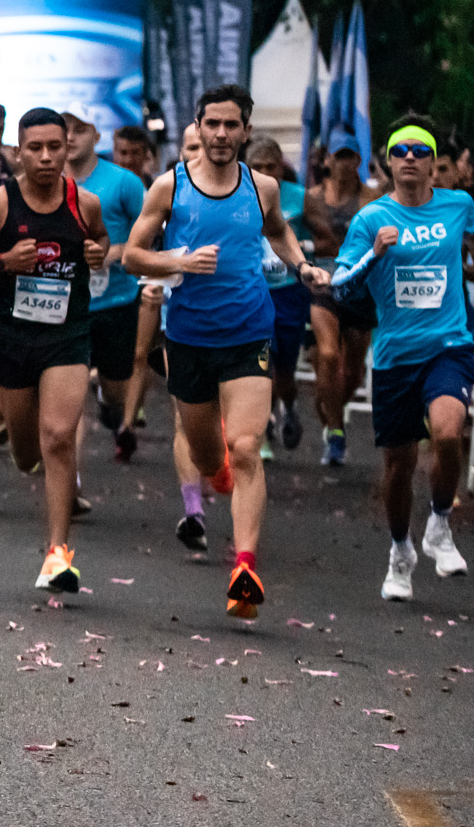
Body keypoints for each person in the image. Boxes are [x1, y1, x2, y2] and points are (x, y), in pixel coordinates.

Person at [124, 84, 326, 619]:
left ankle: (244, 568)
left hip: (248, 333)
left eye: (230, 125)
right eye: (211, 124)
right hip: (188, 339)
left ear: (245, 129)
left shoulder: (263, 188)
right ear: (199, 125)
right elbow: (131, 257)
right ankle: (215, 480)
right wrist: (177, 263)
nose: (220, 134)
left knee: (244, 448)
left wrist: (302, 266)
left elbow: (280, 235)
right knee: (213, 457)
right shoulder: (169, 188)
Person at [326, 118, 474, 601]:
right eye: (400, 150)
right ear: (388, 162)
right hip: (394, 356)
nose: (409, 156)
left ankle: (441, 524)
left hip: (448, 344)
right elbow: (341, 284)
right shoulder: (371, 220)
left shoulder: (458, 205)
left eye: (419, 150)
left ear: (433, 164)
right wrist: (374, 254)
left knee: (449, 433)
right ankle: (400, 551)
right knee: (398, 467)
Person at [0, 109, 108, 591]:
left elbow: (100, 241)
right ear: (17, 152)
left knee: (58, 436)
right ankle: (24, 458)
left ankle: (58, 554)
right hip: (11, 340)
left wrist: (99, 252)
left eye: (54, 147)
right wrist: (2, 262)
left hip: (67, 336)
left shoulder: (86, 202)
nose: (45, 157)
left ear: (66, 148)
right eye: (34, 148)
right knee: (24, 453)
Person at [64, 113, 151, 461]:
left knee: (116, 388)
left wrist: (116, 252)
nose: (71, 137)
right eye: (65, 129)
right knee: (70, 391)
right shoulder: (47, 180)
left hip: (116, 299)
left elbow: (148, 229)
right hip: (66, 303)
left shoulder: (124, 182)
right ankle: (71, 480)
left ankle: (109, 399)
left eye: (80, 129)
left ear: (96, 135)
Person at [311, 129, 379, 465]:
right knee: (327, 355)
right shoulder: (312, 197)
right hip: (322, 283)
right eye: (338, 156)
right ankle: (335, 432)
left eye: (349, 156)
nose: (343, 163)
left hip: (361, 288)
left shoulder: (372, 198)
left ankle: (329, 402)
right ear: (327, 160)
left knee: (354, 372)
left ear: (358, 160)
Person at [246, 135, 316, 454]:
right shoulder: (235, 198)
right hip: (251, 292)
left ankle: (288, 406)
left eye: (269, 166)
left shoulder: (300, 198)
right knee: (261, 362)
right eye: (255, 166)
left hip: (288, 293)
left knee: (284, 368)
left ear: (281, 168)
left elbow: (329, 238)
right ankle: (261, 431)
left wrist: (306, 253)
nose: (263, 172)